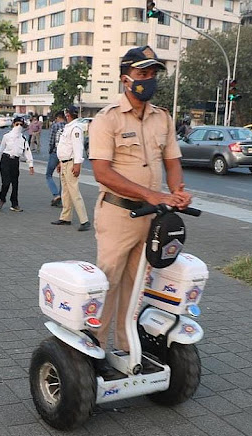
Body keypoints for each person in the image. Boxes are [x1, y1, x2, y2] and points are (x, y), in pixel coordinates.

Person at [89, 45, 191, 353]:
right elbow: (102, 172)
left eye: (153, 74)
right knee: (108, 283)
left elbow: (172, 161)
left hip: (152, 218)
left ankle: (126, 349)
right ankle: (94, 351)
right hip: (118, 214)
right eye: (142, 73)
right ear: (125, 79)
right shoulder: (107, 119)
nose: (149, 79)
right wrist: (151, 194)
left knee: (137, 286)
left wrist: (177, 191)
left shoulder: (163, 118)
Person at [51, 105, 91, 231]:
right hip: (64, 162)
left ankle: (84, 220)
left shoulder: (75, 128)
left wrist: (77, 164)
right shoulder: (68, 127)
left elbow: (78, 147)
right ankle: (65, 217)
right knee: (66, 192)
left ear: (68, 114)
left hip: (71, 163)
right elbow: (65, 147)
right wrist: (60, 162)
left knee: (74, 192)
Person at [0, 116, 34, 212]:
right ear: (13, 124)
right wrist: (0, 162)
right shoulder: (7, 136)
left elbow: (27, 151)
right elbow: (1, 150)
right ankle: (2, 198)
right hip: (6, 159)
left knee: (15, 183)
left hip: (15, 161)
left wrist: (30, 165)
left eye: (21, 125)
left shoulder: (23, 138)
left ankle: (14, 204)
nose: (19, 126)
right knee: (6, 182)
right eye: (17, 124)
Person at [46, 111, 65, 207]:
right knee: (62, 176)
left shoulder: (55, 126)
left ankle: (56, 194)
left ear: (57, 117)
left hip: (55, 152)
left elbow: (51, 140)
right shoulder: (68, 126)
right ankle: (61, 197)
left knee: (49, 175)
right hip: (65, 154)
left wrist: (50, 151)